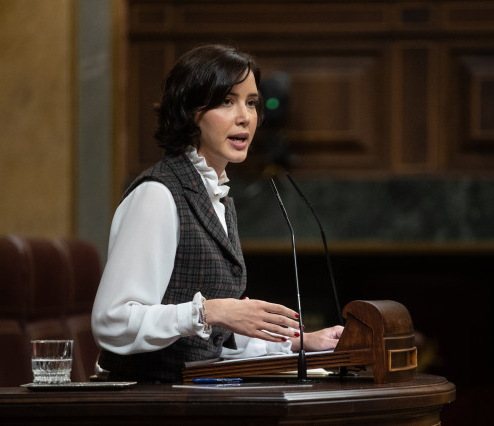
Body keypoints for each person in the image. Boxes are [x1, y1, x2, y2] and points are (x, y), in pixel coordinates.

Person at [91, 44, 343, 382]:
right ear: (191, 111)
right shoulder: (158, 194)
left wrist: (302, 344)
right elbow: (112, 322)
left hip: (194, 395)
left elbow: (211, 339)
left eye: (251, 103)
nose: (244, 116)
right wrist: (213, 310)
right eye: (227, 101)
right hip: (146, 400)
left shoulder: (217, 197)